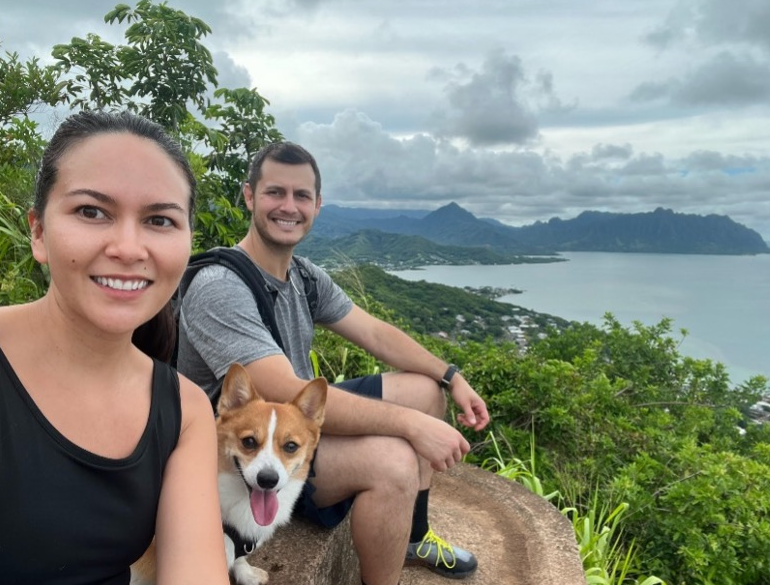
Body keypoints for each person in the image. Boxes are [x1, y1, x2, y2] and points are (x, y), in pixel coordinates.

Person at [177, 141, 490, 585]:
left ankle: (414, 537)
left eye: (301, 196)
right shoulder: (220, 286)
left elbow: (376, 333)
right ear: (249, 196)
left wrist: (450, 375)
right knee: (396, 461)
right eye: (275, 193)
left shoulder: (303, 276)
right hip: (247, 451)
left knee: (424, 391)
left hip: (291, 426)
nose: (289, 206)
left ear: (318, 205)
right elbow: (284, 390)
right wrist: (411, 427)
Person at [0, 110, 230, 585]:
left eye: (159, 220)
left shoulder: (183, 409)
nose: (128, 248)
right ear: (39, 231)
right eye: (92, 211)